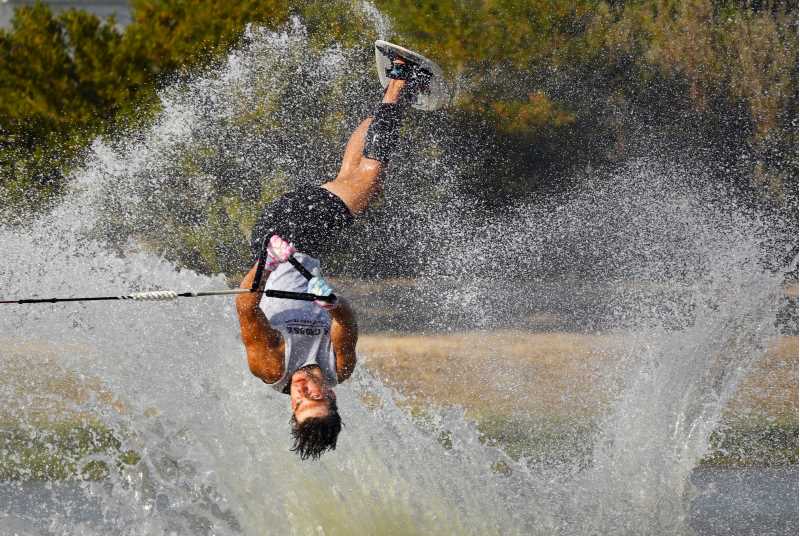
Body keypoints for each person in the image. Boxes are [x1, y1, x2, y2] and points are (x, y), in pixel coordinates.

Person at [235, 51, 433, 460]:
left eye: (304, 399)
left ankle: (402, 80)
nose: (309, 389)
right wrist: (333, 302)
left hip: (281, 241)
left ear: (293, 406)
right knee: (353, 177)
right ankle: (392, 96)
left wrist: (270, 262)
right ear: (333, 397)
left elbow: (245, 302)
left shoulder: (271, 366)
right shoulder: (338, 368)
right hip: (304, 243)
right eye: (319, 397)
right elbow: (345, 320)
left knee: (369, 178)